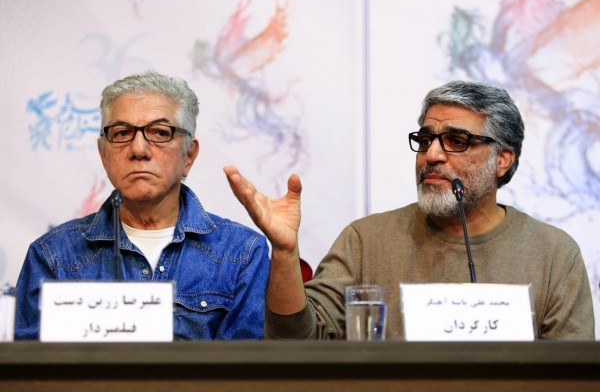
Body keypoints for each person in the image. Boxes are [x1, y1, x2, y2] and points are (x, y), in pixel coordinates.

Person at [225, 80, 595, 340]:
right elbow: (298, 342)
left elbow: (570, 378)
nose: (432, 154)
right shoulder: (366, 241)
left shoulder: (553, 253)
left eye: (456, 141)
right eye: (425, 139)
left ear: (503, 159)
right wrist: (285, 252)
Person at [16, 71, 270, 340]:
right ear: (104, 155)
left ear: (188, 155)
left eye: (159, 133)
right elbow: (31, 365)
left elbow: (240, 365)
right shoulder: (53, 256)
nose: (138, 149)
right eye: (122, 133)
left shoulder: (241, 253)